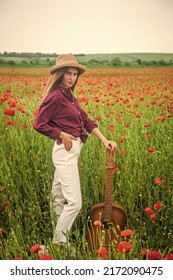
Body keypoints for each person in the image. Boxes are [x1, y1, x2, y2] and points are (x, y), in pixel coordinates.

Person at [32, 54, 117, 247]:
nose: (72, 77)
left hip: (72, 150)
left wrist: (104, 139)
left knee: (58, 197)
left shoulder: (69, 96)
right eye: (68, 73)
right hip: (65, 152)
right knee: (75, 203)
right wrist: (60, 134)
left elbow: (85, 120)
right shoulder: (55, 97)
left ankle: (56, 237)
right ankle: (59, 243)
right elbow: (38, 124)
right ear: (60, 74)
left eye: (75, 74)